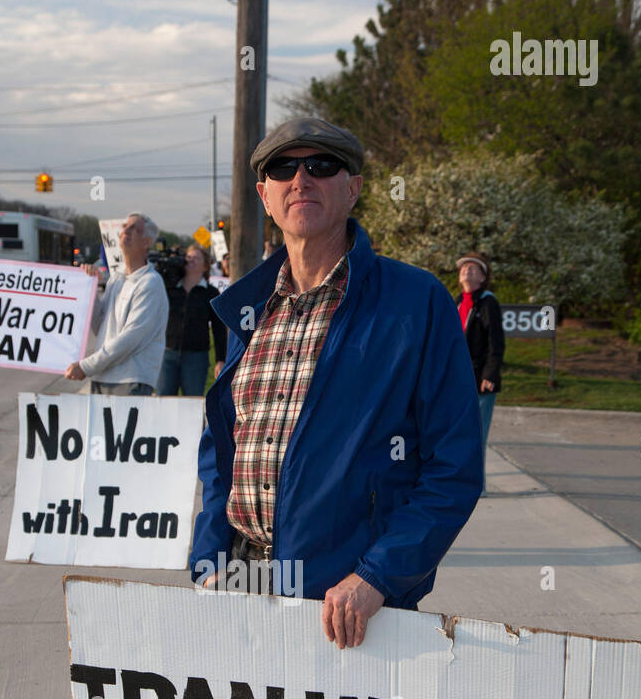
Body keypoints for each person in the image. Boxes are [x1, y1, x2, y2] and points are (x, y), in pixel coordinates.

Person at [190, 116, 483, 649]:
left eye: (321, 166)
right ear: (264, 195)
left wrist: (378, 577)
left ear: (353, 190)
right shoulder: (247, 309)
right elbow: (221, 452)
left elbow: (455, 467)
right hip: (241, 585)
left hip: (349, 607)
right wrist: (208, 561)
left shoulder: (415, 303)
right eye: (283, 168)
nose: (301, 179)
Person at [64, 213, 167, 396]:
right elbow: (100, 326)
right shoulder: (116, 280)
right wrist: (91, 286)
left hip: (130, 380)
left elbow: (130, 339)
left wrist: (86, 366)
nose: (126, 231)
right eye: (125, 226)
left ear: (147, 242)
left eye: (135, 229)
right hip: (102, 377)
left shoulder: (150, 283)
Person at [156, 243, 227, 397]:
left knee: (192, 401)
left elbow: (219, 329)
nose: (191, 260)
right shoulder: (170, 288)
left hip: (196, 357)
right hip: (167, 353)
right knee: (163, 401)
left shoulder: (211, 293)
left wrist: (221, 359)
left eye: (196, 258)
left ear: (205, 266)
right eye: (188, 257)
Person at [455, 252, 505, 446]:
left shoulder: (487, 302)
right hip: (458, 378)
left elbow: (496, 341)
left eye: (473, 267)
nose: (467, 269)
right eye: (464, 267)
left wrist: (490, 374)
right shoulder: (457, 302)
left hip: (479, 379)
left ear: (483, 278)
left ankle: (476, 477)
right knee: (458, 436)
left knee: (476, 437)